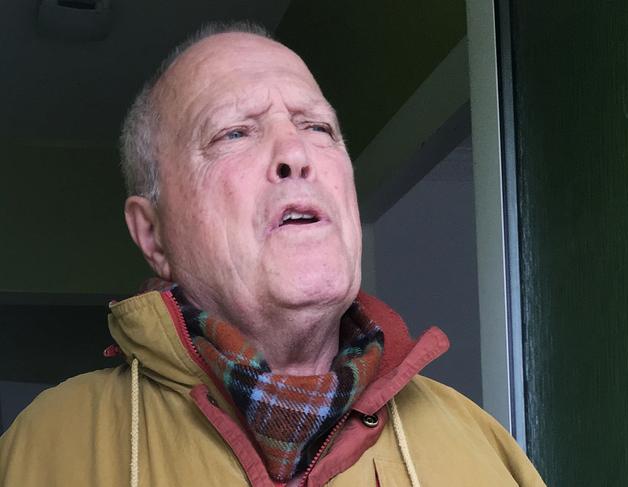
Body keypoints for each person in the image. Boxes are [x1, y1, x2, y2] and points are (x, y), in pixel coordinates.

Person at [0, 22, 545, 486]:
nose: (295, 153)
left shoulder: (482, 448)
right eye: (235, 133)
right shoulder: (41, 450)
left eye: (318, 126)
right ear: (153, 235)